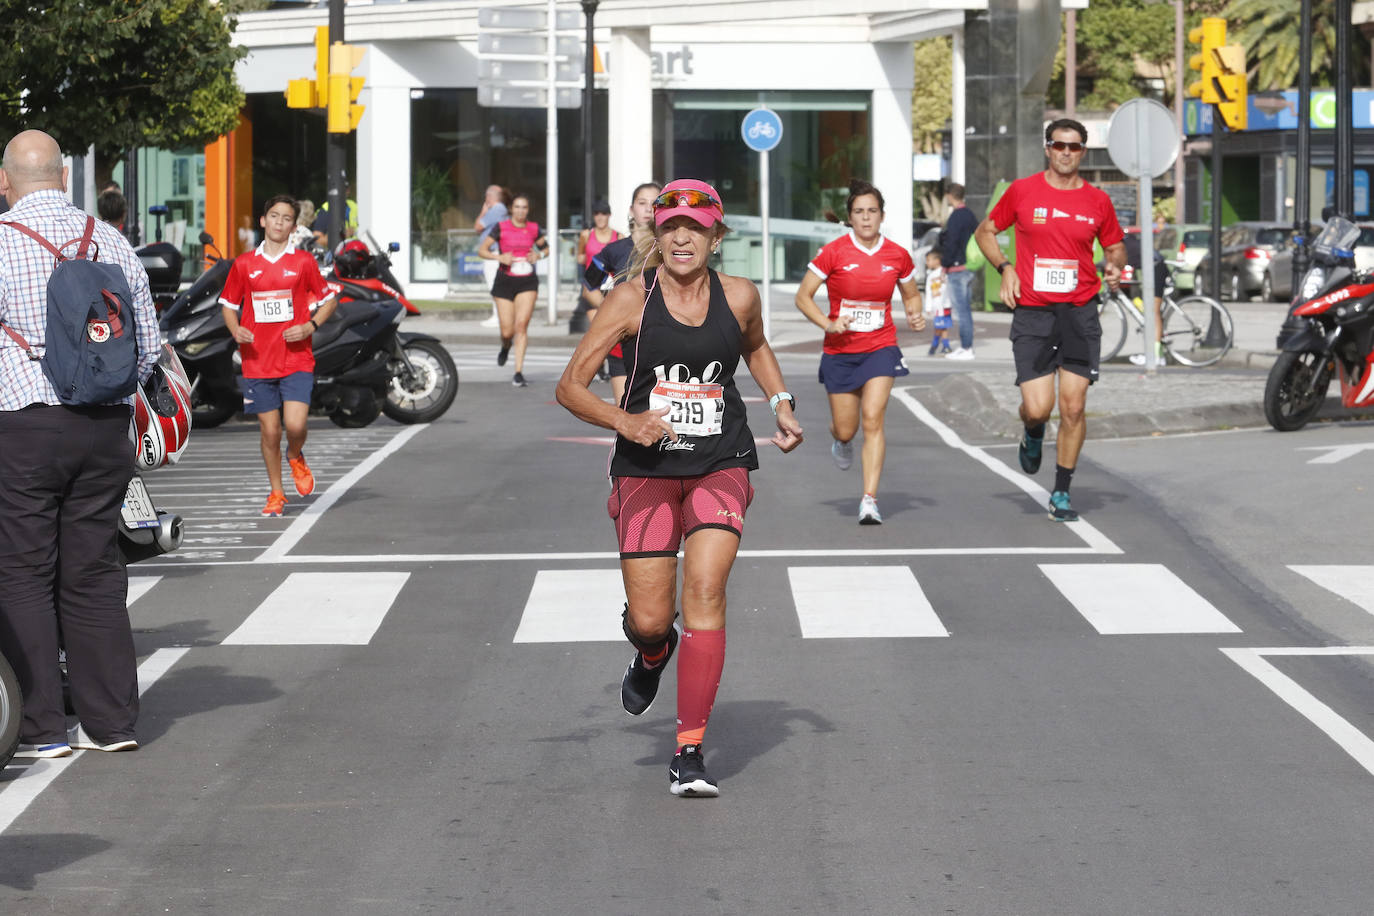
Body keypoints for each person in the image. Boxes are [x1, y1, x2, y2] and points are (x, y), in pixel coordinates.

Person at [554, 179, 803, 797]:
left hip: (721, 459)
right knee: (650, 616)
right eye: (670, 227)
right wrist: (625, 421)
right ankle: (651, 652)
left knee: (707, 589)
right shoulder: (628, 301)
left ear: (716, 236)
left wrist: (781, 402)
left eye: (695, 227)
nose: (682, 237)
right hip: (646, 468)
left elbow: (756, 347)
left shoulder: (740, 295)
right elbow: (570, 387)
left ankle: (689, 750)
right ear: (656, 235)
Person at [0, 129, 160, 757]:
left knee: (24, 573)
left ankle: (39, 728)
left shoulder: (3, 243)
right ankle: (111, 723)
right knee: (95, 572)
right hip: (104, 428)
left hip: (26, 426)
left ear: (5, 182)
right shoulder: (111, 240)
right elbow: (145, 345)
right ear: (65, 178)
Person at [973, 118, 1126, 522]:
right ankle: (1033, 430)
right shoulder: (1023, 191)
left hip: (1079, 312)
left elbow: (1115, 247)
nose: (1066, 152)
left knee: (1073, 408)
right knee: (1039, 408)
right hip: (1034, 313)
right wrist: (1006, 266)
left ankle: (1061, 490)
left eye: (1074, 147)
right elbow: (985, 232)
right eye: (1059, 145)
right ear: (1047, 148)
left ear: (1083, 152)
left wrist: (1114, 265)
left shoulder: (1097, 200)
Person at [794, 178, 924, 525]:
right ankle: (842, 440)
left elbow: (911, 293)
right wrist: (827, 323)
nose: (866, 218)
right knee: (847, 428)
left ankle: (869, 499)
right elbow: (802, 297)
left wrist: (915, 311)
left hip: (881, 346)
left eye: (872, 212)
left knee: (873, 419)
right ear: (849, 217)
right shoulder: (834, 252)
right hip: (840, 350)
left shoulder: (897, 255)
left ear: (882, 216)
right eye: (859, 212)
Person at [219, 195, 338, 517]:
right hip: (257, 360)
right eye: (274, 216)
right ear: (263, 220)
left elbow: (329, 301)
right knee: (269, 431)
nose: (279, 223)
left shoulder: (303, 262)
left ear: (293, 226)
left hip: (296, 359)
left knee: (295, 426)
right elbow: (229, 306)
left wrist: (310, 326)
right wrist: (236, 330)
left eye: (286, 218)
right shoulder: (244, 264)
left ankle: (296, 455)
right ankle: (276, 492)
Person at [582, 181, 661, 404]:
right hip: (622, 342)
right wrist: (610, 312)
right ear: (631, 209)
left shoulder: (671, 249)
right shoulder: (614, 250)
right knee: (625, 412)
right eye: (641, 203)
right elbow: (588, 286)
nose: (647, 208)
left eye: (654, 203)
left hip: (660, 340)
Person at [478, 193, 549, 388]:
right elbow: (482, 250)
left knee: (521, 326)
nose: (520, 211)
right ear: (511, 209)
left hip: (527, 281)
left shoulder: (534, 228)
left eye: (524, 208)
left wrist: (538, 255)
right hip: (504, 281)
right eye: (517, 207)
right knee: (507, 330)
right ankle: (505, 345)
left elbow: (547, 249)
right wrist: (499, 258)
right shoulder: (501, 227)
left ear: (528, 210)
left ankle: (518, 372)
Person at [940, 182, 980, 360]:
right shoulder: (970, 215)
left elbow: (951, 242)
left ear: (950, 195)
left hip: (956, 268)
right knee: (966, 310)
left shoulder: (956, 216)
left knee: (961, 311)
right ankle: (967, 346)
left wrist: (944, 265)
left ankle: (966, 348)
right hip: (970, 266)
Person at [1121, 229, 1169, 367]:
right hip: (1149, 269)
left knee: (1154, 313)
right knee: (1144, 306)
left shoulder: (1122, 243)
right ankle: (1158, 354)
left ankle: (1153, 356)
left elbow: (1115, 260)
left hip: (1156, 268)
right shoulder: (1126, 240)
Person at [474, 185, 510, 329]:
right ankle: (500, 315)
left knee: (494, 286)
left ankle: (498, 316)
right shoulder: (502, 210)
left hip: (493, 254)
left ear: (489, 197)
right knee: (497, 286)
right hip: (495, 253)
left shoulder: (496, 209)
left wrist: (483, 211)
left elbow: (477, 226)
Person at [924, 249, 952, 355]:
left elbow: (949, 286)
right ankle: (941, 345)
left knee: (942, 326)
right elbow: (928, 292)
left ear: (937, 260)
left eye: (928, 260)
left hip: (945, 305)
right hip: (936, 306)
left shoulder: (945, 272)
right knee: (940, 326)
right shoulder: (930, 276)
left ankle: (938, 345)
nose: (927, 263)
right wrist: (928, 307)